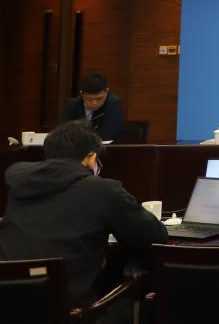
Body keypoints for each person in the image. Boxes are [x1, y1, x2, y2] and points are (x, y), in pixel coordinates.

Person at [0, 121, 167, 324]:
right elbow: (155, 237)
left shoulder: (20, 183)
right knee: (147, 303)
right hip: (73, 315)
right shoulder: (102, 190)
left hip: (9, 308)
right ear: (91, 158)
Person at [58, 72, 125, 142]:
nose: (94, 103)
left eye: (99, 99)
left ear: (106, 92)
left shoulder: (113, 103)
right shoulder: (74, 104)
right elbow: (61, 130)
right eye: (89, 99)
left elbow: (107, 134)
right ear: (81, 94)